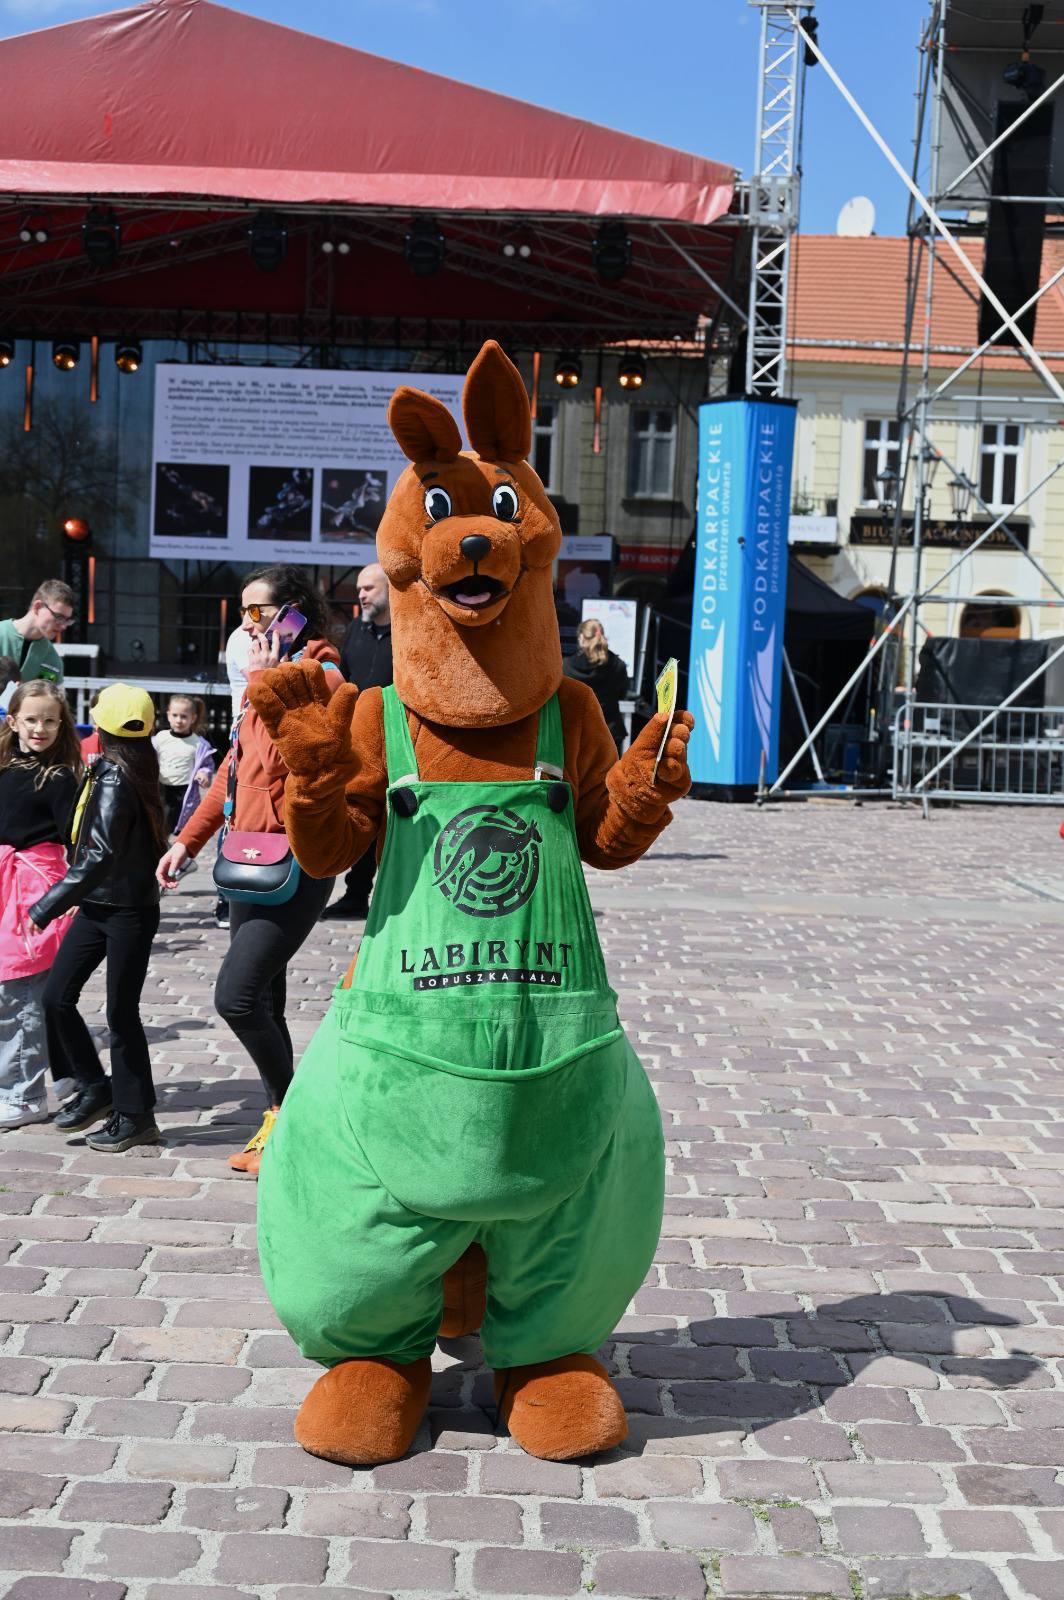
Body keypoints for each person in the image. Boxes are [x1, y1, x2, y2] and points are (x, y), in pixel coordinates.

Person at [156, 565, 342, 1176]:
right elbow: (235, 774)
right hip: (247, 857)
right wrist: (186, 842)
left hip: (297, 861)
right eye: (242, 611)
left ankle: (294, 1113)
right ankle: (281, 1123)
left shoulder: (321, 676)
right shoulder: (259, 684)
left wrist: (264, 683)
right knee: (264, 999)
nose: (246, 623)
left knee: (235, 997)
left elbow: (300, 758)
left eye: (257, 611)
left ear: (293, 613)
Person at [31, 684, 167, 1153]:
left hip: (127, 911)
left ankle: (136, 1116)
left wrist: (47, 905)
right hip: (100, 905)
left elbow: (99, 854)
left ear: (102, 725)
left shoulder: (115, 777)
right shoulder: (129, 766)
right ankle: (95, 1087)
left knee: (121, 1014)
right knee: (56, 997)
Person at [0, 681, 82, 1129]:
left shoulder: (60, 777)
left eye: (50, 720)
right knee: (20, 993)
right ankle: (72, 1069)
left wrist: (72, 894)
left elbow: (78, 839)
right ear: (13, 721)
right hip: (5, 883)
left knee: (22, 993)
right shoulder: (4, 765)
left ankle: (24, 1095)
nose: (40, 728)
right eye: (31, 719)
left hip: (34, 888)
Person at [323, 563, 393, 921]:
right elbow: (343, 680)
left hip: (399, 738)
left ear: (390, 588)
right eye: (359, 589)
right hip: (359, 739)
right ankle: (355, 895)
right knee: (362, 812)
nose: (361, 595)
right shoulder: (354, 630)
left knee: (396, 819)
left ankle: (394, 898)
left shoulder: (410, 632)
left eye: (369, 588)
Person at [0, 581, 75, 701]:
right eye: (59, 617)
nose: (63, 626)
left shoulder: (53, 661)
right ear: (38, 607)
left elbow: (55, 706)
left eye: (67, 620)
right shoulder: (2, 633)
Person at [563, 618, 630, 750]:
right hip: (609, 734)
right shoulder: (618, 666)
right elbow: (623, 694)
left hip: (575, 735)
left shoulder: (566, 667)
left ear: (581, 638)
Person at [153, 694, 215, 837]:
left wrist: (204, 774)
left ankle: (179, 847)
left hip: (185, 793)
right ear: (168, 715)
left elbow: (206, 764)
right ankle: (161, 847)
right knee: (160, 826)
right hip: (162, 790)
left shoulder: (199, 744)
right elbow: (149, 758)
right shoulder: (160, 738)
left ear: (193, 718)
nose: (178, 720)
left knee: (183, 828)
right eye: (175, 715)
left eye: (183, 716)